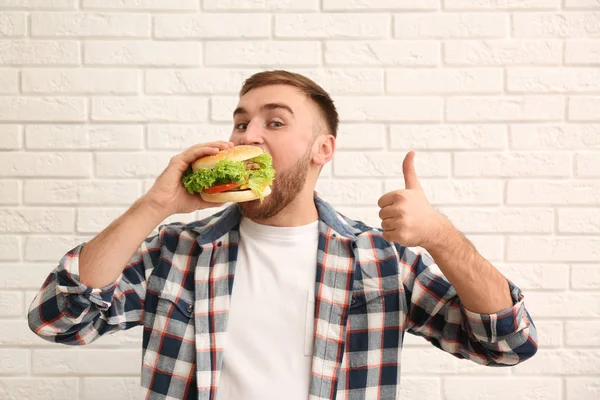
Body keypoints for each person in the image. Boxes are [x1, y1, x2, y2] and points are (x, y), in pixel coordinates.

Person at [27, 70, 538, 400]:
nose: (247, 135)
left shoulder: (383, 261)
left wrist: (440, 236)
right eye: (241, 122)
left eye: (274, 122)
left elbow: (508, 345)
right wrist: (156, 206)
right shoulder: (175, 252)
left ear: (323, 149)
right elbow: (57, 319)